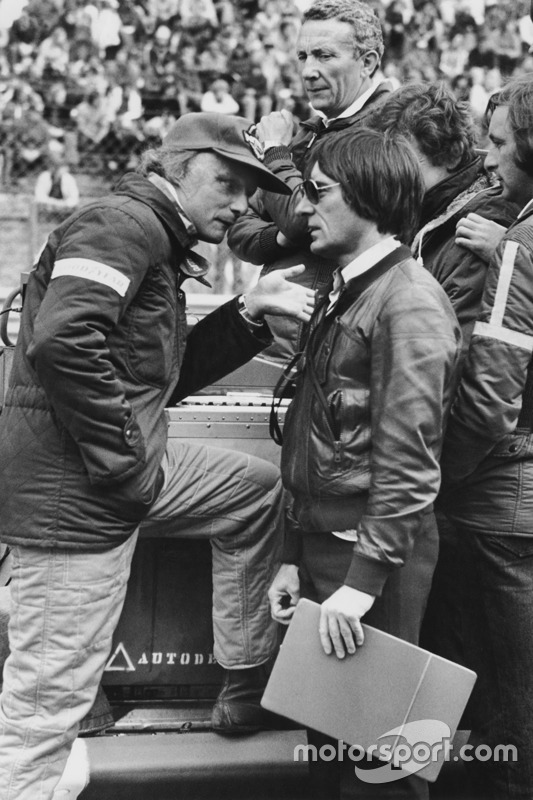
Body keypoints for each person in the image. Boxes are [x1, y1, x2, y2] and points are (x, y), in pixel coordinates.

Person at [0, 111, 316, 800]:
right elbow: (62, 343)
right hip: (79, 495)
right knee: (42, 710)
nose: (239, 205)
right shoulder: (123, 225)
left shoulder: (154, 233)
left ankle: (244, 677)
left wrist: (247, 313)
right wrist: (126, 464)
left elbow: (159, 374)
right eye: (226, 183)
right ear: (175, 169)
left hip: (108, 475)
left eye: (248, 192)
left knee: (252, 490)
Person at [267, 128, 462, 800]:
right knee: (335, 756)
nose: (303, 210)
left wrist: (362, 580)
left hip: (368, 560)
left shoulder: (406, 300)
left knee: (381, 772)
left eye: (318, 193)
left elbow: (408, 462)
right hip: (334, 552)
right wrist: (294, 550)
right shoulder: (354, 288)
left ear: (369, 196)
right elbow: (312, 437)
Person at [437, 73, 533, 800]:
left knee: (508, 708)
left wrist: (439, 474)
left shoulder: (517, 249)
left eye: (499, 142)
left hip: (504, 502)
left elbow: (489, 398)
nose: (488, 158)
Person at [228, 0, 392, 363]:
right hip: (287, 338)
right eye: (302, 56)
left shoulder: (382, 131)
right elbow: (239, 231)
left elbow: (303, 217)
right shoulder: (311, 132)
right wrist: (283, 237)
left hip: (326, 347)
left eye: (323, 55)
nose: (308, 70)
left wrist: (273, 153)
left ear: (368, 62)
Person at [34, 141, 80, 219]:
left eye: (59, 166)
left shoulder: (69, 179)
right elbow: (39, 197)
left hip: (64, 209)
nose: (56, 169)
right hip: (48, 207)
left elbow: (74, 199)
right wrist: (57, 203)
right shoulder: (44, 176)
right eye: (53, 165)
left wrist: (62, 205)